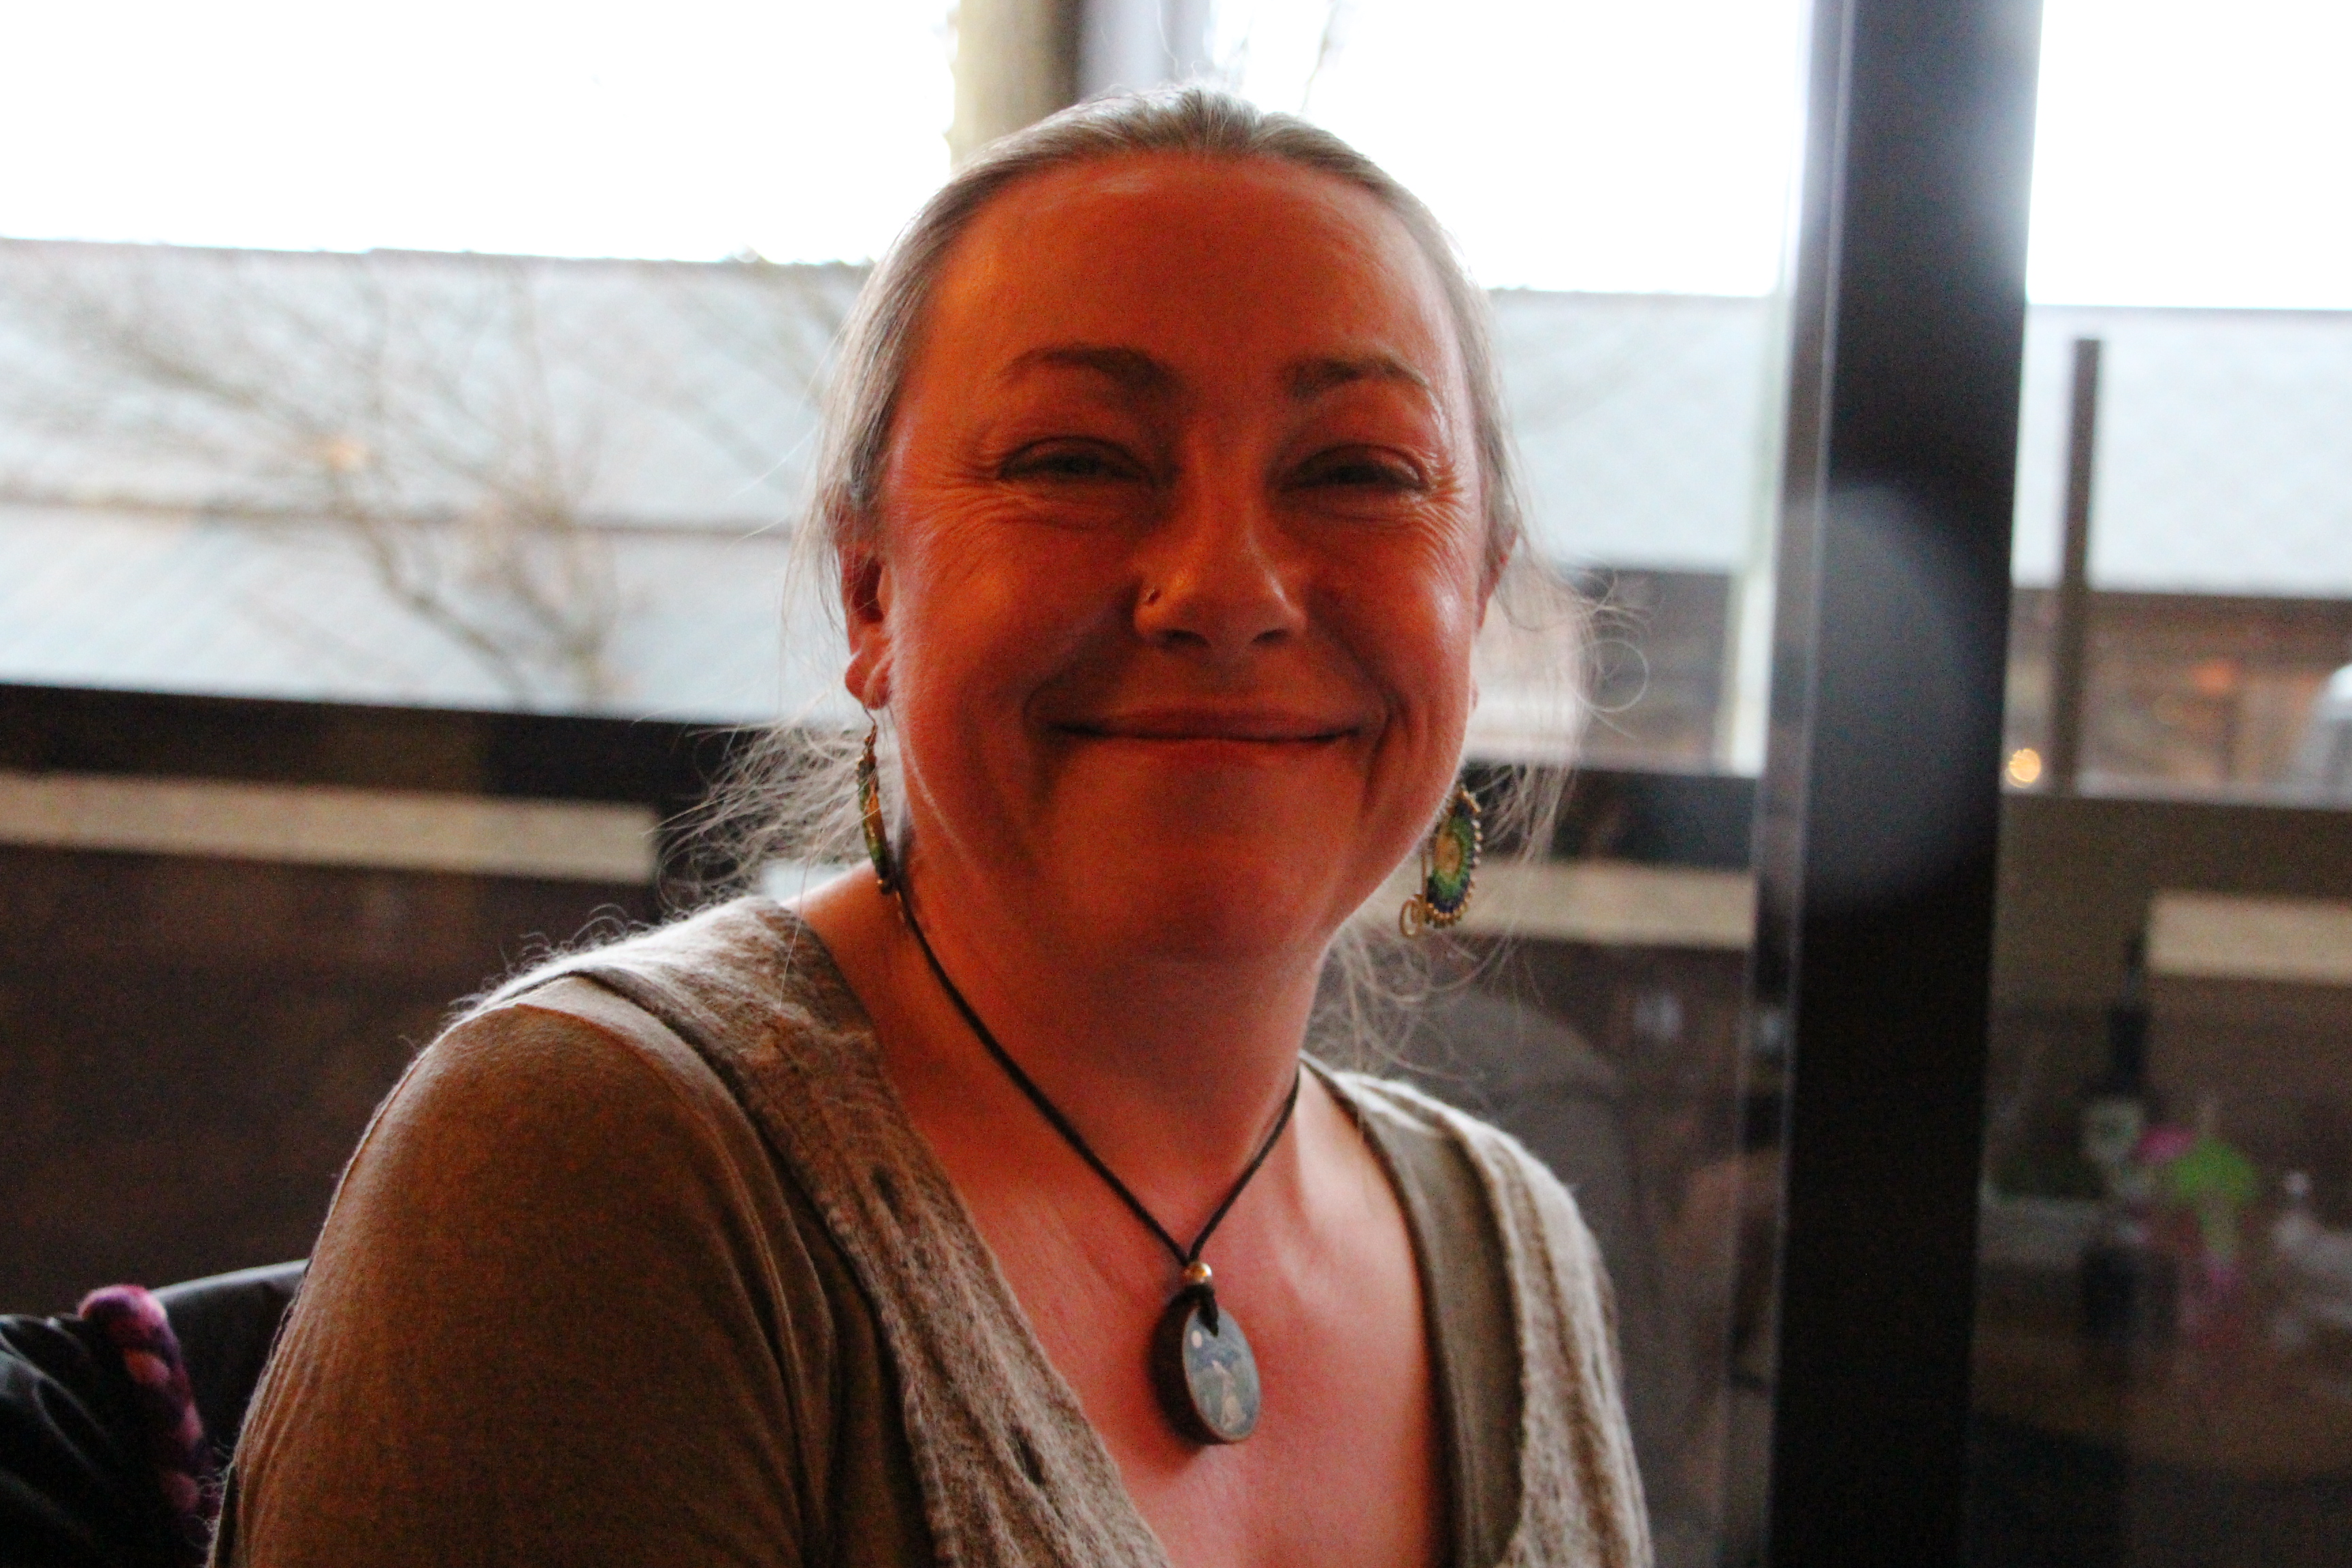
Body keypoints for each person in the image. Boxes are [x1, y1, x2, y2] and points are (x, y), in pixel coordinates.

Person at [213, 88, 1648, 1567]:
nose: (1228, 592)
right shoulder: (590, 1165)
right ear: (871, 591)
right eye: (1077, 460)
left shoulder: (1518, 1254)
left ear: (1476, 597)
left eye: (1357, 472)